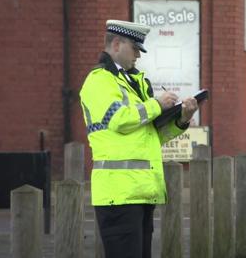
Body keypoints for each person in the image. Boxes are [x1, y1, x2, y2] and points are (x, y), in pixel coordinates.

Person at [79, 20, 199, 258]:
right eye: (135, 49)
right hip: (118, 195)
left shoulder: (133, 84)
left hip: (139, 193)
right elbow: (119, 120)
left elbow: (152, 136)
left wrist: (181, 119)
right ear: (116, 44)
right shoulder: (99, 80)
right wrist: (156, 104)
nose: (138, 56)